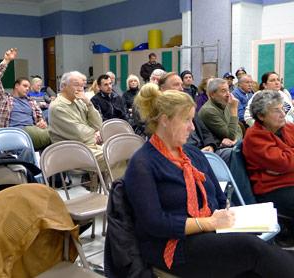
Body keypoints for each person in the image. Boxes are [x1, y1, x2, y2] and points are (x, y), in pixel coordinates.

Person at [124, 84, 294, 277]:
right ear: (165, 121)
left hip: (207, 232)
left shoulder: (192, 154)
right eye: (187, 120)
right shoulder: (143, 164)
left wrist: (227, 220)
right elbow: (155, 224)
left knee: (253, 262)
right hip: (173, 246)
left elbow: (220, 199)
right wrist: (208, 223)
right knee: (251, 249)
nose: (192, 127)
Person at [243, 90, 294, 243]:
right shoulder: (254, 136)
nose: (282, 113)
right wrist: (286, 159)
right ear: (261, 116)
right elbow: (283, 163)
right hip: (273, 190)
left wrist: (286, 156)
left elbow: (284, 163)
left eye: (282, 108)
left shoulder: (287, 128)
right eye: (276, 110)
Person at [0, 48, 50, 150]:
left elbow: (39, 118)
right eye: (25, 86)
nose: (28, 89)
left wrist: (41, 122)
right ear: (16, 86)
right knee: (56, 135)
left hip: (32, 130)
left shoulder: (31, 101)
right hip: (15, 132)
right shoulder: (4, 99)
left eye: (28, 87)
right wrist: (6, 61)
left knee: (55, 130)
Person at [48, 71, 104, 166]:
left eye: (82, 86)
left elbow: (98, 124)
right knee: (113, 156)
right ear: (63, 86)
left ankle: (115, 181)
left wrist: (89, 104)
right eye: (76, 85)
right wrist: (95, 134)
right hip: (71, 151)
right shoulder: (58, 107)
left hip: (88, 146)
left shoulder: (80, 102)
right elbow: (79, 134)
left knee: (122, 153)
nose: (80, 89)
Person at [159, 73, 217, 153]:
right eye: (176, 85)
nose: (181, 89)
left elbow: (204, 131)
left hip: (203, 150)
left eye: (181, 85)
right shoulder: (159, 112)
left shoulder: (188, 106)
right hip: (185, 153)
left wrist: (210, 146)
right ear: (162, 88)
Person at [198, 78, 242, 149]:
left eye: (228, 90)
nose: (228, 94)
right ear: (212, 95)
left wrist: (236, 140)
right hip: (215, 148)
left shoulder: (225, 104)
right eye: (223, 91)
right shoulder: (208, 110)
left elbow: (238, 129)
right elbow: (230, 135)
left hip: (230, 145)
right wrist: (234, 109)